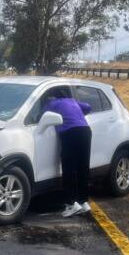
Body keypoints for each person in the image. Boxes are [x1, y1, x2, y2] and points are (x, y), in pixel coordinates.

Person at [42, 87, 92, 217]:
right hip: (85, 131)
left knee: (69, 169)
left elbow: (41, 114)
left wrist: (47, 103)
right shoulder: (72, 101)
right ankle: (84, 202)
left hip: (70, 133)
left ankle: (71, 204)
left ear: (52, 96)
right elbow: (88, 107)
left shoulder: (52, 103)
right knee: (83, 167)